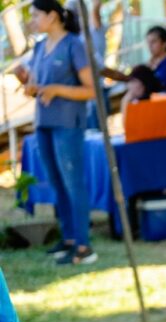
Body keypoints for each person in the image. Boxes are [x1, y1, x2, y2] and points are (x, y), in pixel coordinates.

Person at [15, 0, 97, 266]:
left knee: (73, 182)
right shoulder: (39, 47)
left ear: (52, 16)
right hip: (44, 122)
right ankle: (69, 239)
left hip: (67, 123)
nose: (33, 20)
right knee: (57, 183)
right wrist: (27, 83)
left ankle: (84, 246)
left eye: (37, 15)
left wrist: (57, 90)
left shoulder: (74, 45)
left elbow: (91, 90)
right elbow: (39, 85)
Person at [100, 24, 166, 95]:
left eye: (154, 42)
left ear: (164, 43)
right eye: (148, 43)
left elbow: (155, 86)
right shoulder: (151, 63)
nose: (150, 46)